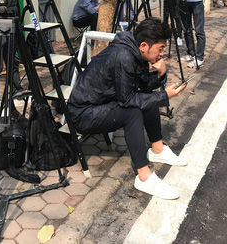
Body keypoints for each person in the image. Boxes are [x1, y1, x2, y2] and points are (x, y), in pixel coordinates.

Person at [67, 17, 187, 199]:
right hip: (83, 114)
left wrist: (160, 74)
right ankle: (144, 177)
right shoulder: (124, 56)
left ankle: (158, 150)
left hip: (102, 104)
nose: (162, 54)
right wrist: (164, 96)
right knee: (133, 112)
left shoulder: (134, 49)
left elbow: (144, 86)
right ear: (144, 46)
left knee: (147, 98)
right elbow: (129, 100)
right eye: (160, 49)